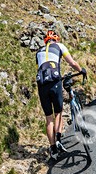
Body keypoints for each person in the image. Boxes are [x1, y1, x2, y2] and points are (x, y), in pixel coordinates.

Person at [35, 29, 86, 160]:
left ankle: (52, 149)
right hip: (55, 82)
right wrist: (81, 70)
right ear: (55, 39)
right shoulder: (59, 46)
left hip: (42, 85)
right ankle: (58, 139)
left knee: (48, 118)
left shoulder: (39, 51)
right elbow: (72, 62)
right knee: (59, 112)